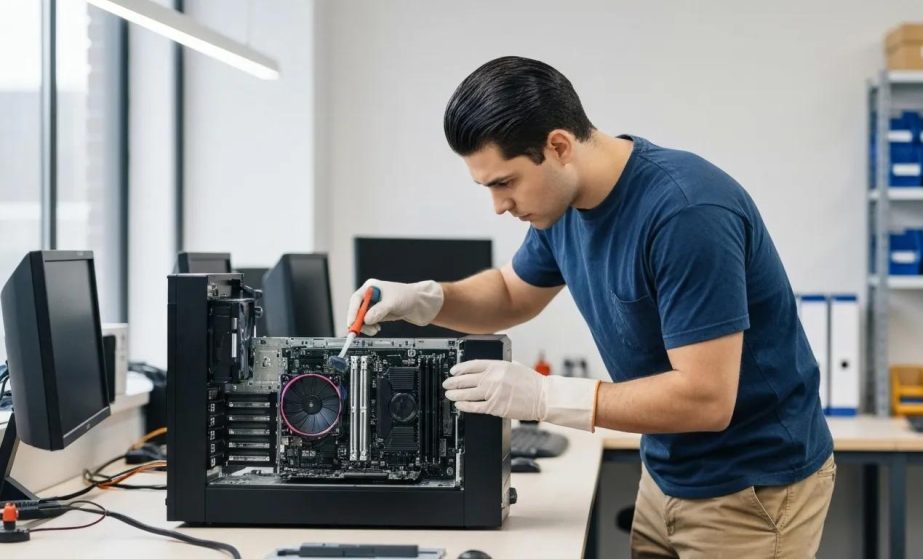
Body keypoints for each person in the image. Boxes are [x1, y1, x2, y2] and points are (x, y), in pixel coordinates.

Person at [347, 56, 834, 558]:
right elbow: (512, 294)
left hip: (752, 487)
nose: (498, 206)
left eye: (504, 183)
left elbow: (706, 399)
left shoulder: (687, 212)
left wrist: (544, 396)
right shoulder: (561, 208)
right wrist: (424, 299)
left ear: (558, 146)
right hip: (667, 473)